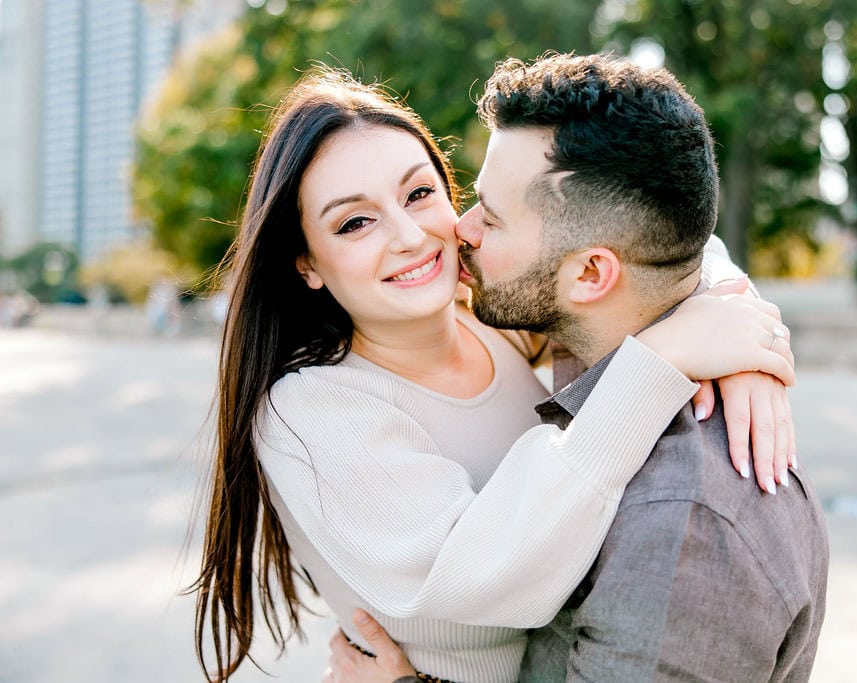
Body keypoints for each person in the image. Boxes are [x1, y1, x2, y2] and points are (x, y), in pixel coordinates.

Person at [192, 67, 796, 683]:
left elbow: (633, 235)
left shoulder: (487, 318)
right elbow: (489, 572)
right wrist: (664, 360)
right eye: (355, 222)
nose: (408, 236)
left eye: (419, 194)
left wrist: (728, 315)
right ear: (307, 264)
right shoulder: (312, 408)